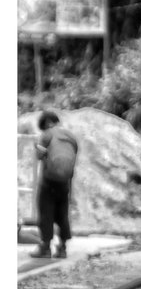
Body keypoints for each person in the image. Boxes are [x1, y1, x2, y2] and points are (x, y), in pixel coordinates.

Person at [30, 110, 78, 259]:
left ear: (45, 124)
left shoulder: (47, 135)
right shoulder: (71, 136)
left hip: (48, 181)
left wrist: (36, 147)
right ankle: (62, 248)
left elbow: (40, 156)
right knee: (62, 214)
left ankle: (45, 247)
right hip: (65, 182)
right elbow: (73, 157)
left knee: (46, 212)